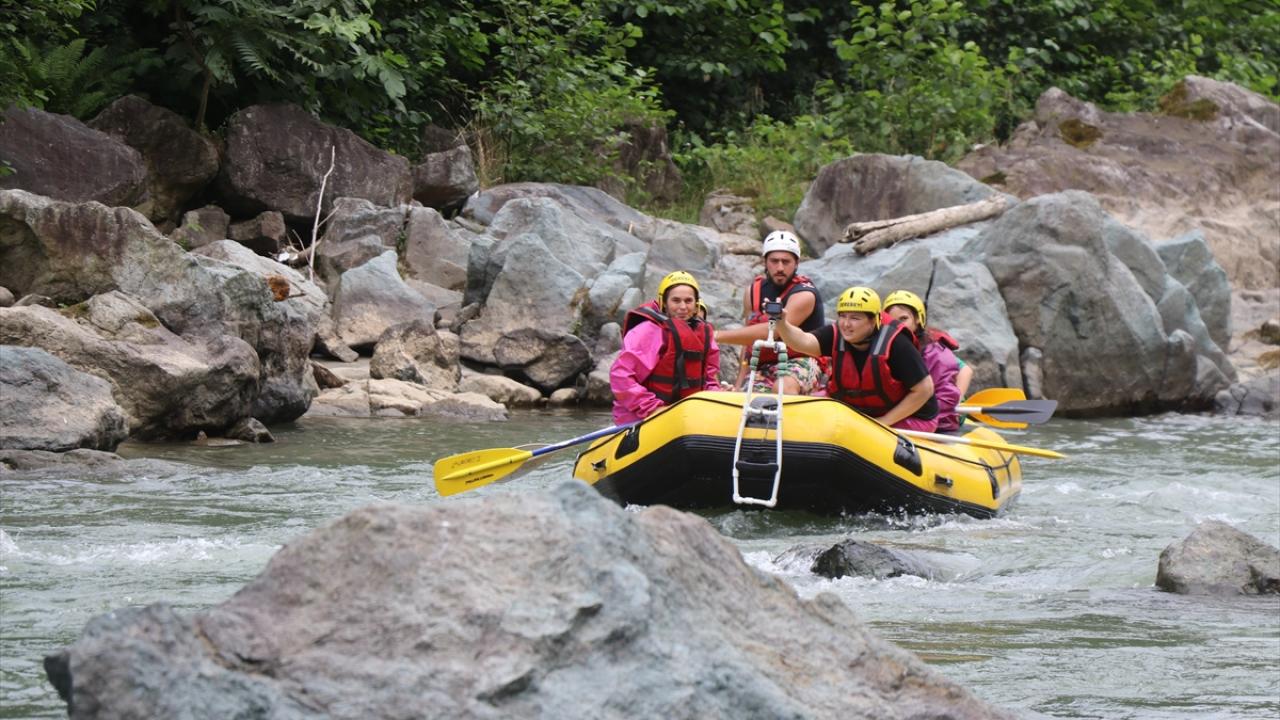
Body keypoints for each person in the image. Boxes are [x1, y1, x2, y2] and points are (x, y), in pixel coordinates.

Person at [775, 286, 938, 431]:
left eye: (855, 318)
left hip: (909, 416)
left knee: (858, 432)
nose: (846, 324)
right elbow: (803, 341)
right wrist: (781, 323)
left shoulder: (897, 344)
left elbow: (924, 389)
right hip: (861, 410)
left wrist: (883, 423)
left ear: (873, 321)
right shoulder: (837, 333)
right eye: (843, 316)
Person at [714, 230, 825, 394]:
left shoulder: (805, 294)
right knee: (746, 398)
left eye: (786, 262)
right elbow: (749, 343)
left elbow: (772, 330)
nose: (780, 267)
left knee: (783, 388)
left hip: (802, 360)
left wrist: (716, 335)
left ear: (796, 263)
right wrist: (738, 385)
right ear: (765, 261)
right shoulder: (753, 292)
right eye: (774, 261)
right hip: (764, 364)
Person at [610, 270, 721, 424]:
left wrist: (717, 398)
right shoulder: (647, 331)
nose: (683, 307)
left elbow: (709, 379)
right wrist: (653, 408)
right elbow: (621, 376)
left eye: (688, 301)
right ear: (664, 302)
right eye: (676, 300)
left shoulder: (704, 334)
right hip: (643, 415)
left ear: (696, 304)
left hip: (685, 416)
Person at [883, 290, 974, 433]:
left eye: (903, 319)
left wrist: (958, 397)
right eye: (892, 321)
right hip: (910, 407)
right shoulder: (885, 346)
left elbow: (965, 370)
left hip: (942, 411)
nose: (898, 326)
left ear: (918, 319)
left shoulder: (934, 351)